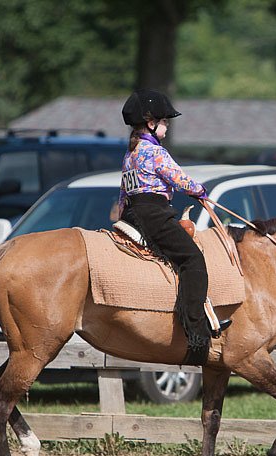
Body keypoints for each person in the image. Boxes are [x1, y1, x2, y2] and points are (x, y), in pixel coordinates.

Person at [119, 89, 229, 365]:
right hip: (154, 213)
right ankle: (196, 332)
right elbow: (180, 179)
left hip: (132, 213)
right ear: (150, 122)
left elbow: (123, 194)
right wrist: (200, 190)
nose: (167, 125)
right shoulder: (155, 151)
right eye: (165, 121)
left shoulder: (130, 154)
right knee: (193, 260)